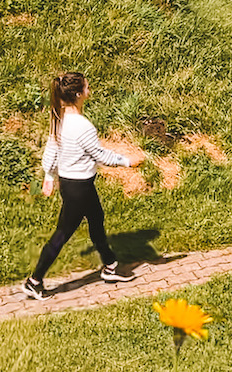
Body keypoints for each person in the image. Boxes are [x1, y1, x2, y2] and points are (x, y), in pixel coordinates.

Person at [23, 71, 143, 300]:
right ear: (78, 94)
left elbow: (51, 149)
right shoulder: (82, 126)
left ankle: (110, 267)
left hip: (75, 185)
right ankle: (34, 281)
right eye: (87, 87)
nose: (89, 90)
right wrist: (128, 161)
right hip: (79, 189)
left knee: (97, 222)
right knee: (62, 234)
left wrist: (49, 175)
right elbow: (99, 155)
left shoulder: (59, 118)